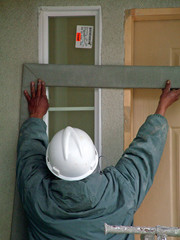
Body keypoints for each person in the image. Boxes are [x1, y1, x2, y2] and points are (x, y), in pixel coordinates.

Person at [17, 79, 180, 240]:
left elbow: (30, 155)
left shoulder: (34, 194)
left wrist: (35, 115)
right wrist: (162, 107)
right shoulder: (121, 191)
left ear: (49, 165)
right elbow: (145, 151)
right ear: (94, 158)